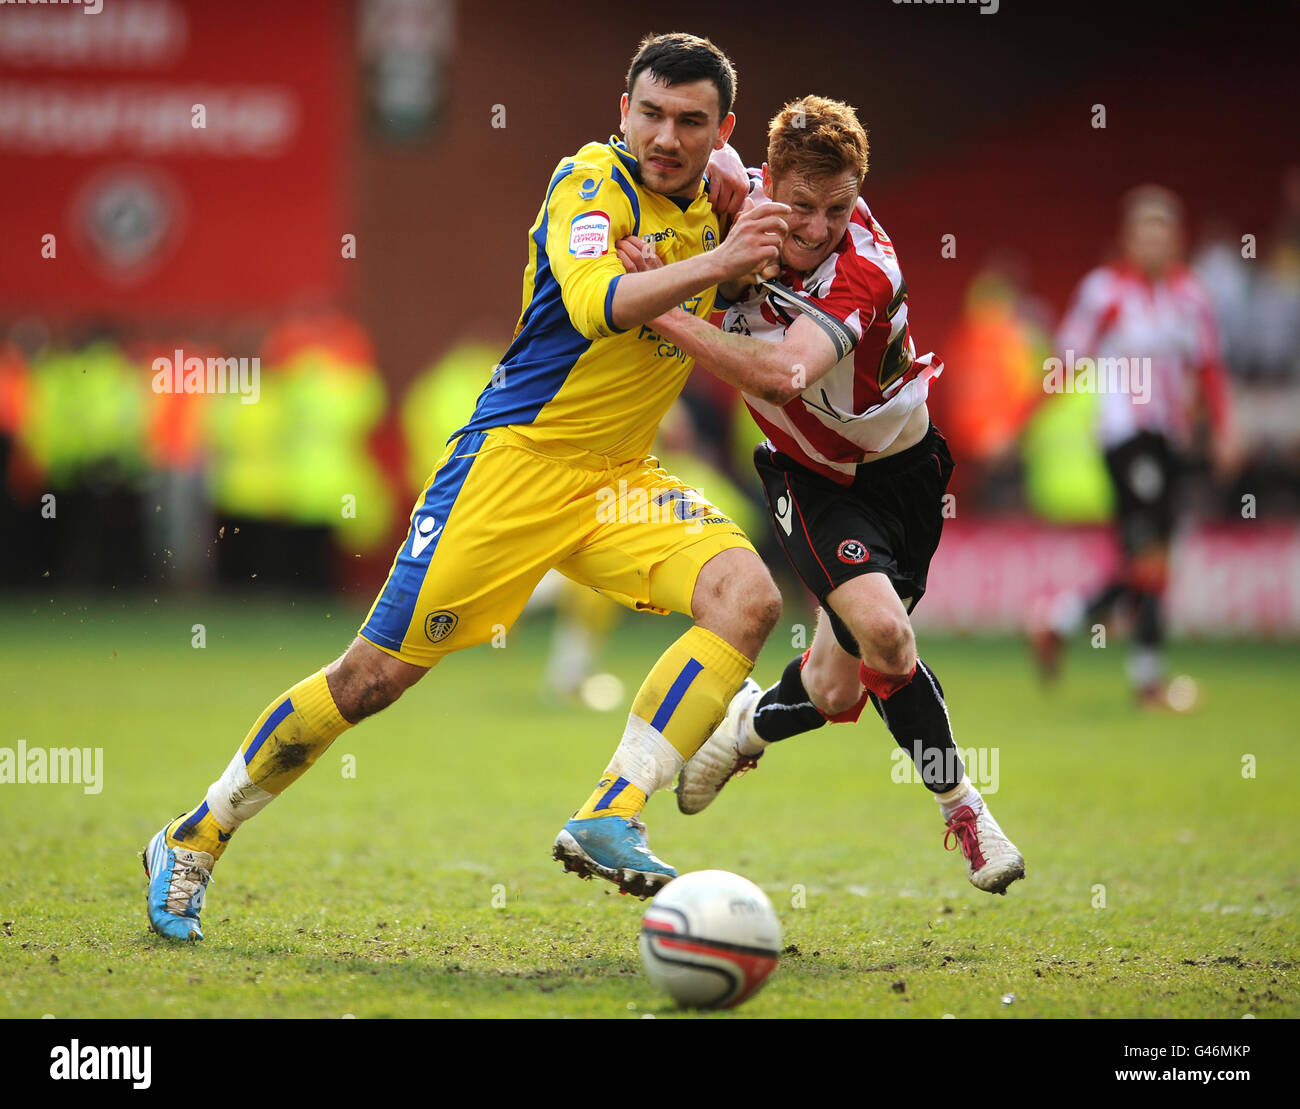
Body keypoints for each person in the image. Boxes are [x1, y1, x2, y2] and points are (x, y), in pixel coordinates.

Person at [142, 31, 795, 940]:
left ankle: (611, 809)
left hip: (618, 480)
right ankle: (194, 833)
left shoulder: (727, 207)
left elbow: (804, 248)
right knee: (371, 679)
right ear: (623, 112)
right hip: (511, 472)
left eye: (692, 122)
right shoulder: (590, 185)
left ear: (721, 127)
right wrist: (721, 262)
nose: (666, 136)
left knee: (748, 596)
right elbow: (596, 304)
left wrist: (753, 207)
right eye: (650, 113)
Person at [621, 95, 1025, 894]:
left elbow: (783, 373)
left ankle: (745, 724)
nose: (815, 228)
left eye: (837, 209)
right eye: (800, 207)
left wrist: (663, 306)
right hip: (810, 480)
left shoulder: (866, 269)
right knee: (889, 637)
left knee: (840, 689)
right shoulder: (742, 198)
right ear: (773, 182)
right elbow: (678, 158)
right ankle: (967, 808)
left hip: (904, 478)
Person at [1030, 185, 1238, 708]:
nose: (1154, 242)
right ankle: (1145, 680)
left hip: (1169, 439)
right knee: (1150, 554)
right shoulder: (1104, 292)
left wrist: (1224, 427)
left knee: (1152, 557)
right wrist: (1023, 417)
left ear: (1176, 241)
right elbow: (1067, 357)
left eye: (1163, 233)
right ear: (1128, 239)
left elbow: (1208, 367)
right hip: (1125, 438)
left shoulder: (1190, 296)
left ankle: (1062, 623)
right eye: (1145, 232)